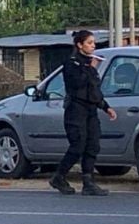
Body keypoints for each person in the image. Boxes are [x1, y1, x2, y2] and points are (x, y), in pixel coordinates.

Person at [49, 30, 117, 196]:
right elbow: (78, 84)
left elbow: (93, 90)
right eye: (89, 43)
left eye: (93, 43)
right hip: (75, 110)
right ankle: (59, 176)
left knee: (93, 145)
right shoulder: (72, 63)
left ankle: (88, 182)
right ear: (80, 45)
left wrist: (106, 107)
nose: (93, 46)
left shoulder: (91, 63)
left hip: (91, 111)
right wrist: (91, 69)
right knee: (78, 145)